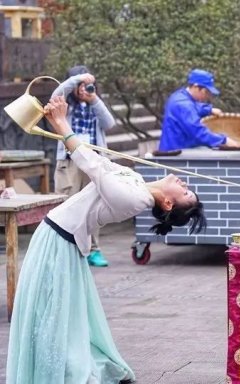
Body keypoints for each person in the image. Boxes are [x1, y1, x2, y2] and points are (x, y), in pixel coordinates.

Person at [6, 94, 207, 384]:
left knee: (54, 314)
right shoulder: (137, 182)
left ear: (168, 205)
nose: (185, 185)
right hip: (58, 238)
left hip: (59, 242)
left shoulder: (135, 199)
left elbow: (94, 168)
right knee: (57, 314)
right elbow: (99, 159)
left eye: (187, 194)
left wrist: (63, 123)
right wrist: (62, 124)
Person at [53, 65, 115, 267]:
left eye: (87, 85)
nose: (83, 89)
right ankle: (66, 249)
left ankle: (93, 250)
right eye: (80, 85)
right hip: (69, 160)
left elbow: (109, 123)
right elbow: (56, 94)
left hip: (91, 160)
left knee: (92, 206)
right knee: (67, 203)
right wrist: (77, 80)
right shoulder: (63, 106)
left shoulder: (94, 105)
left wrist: (94, 99)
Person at [158, 69, 240, 151]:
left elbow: (194, 107)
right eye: (206, 92)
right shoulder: (183, 104)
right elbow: (198, 132)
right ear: (196, 87)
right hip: (175, 155)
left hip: (179, 149)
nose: (207, 96)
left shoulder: (180, 96)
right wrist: (224, 140)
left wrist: (209, 110)